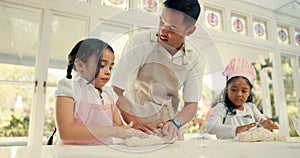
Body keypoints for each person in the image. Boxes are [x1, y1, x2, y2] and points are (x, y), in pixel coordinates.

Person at [112, 0, 205, 137]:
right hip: (133, 124)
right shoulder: (139, 42)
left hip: (168, 128)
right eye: (162, 22)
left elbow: (191, 105)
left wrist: (175, 123)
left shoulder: (195, 59)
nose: (163, 31)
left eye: (172, 28)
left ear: (190, 30)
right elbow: (117, 90)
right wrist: (135, 123)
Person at [55, 38, 147, 145]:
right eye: (102, 65)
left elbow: (119, 128)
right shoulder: (69, 89)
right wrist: (113, 131)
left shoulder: (109, 94)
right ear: (80, 65)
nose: (108, 71)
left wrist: (135, 132)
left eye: (111, 67)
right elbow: (66, 132)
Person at [206, 58, 279, 139]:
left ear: (249, 92)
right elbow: (211, 127)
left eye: (244, 91)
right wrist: (237, 129)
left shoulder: (251, 108)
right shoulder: (222, 108)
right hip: (228, 150)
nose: (238, 94)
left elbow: (263, 122)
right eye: (233, 89)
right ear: (227, 89)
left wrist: (267, 125)